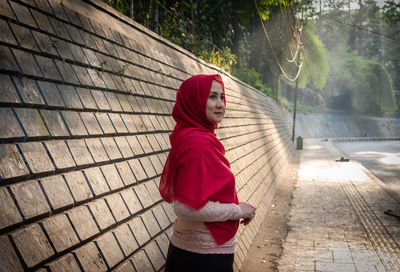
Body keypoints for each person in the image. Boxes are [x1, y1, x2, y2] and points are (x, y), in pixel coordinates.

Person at [159, 74, 256, 272]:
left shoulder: (199, 137)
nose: (220, 104)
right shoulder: (197, 144)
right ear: (195, 100)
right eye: (212, 97)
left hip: (197, 252)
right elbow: (186, 207)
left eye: (222, 97)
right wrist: (238, 211)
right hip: (201, 259)